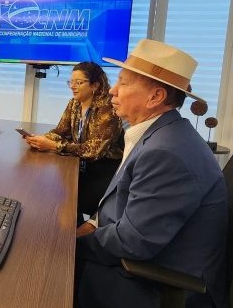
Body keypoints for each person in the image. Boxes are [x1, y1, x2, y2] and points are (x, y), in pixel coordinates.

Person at [75, 39, 227, 308]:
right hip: (141, 262)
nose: (112, 91)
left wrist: (68, 243)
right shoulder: (160, 133)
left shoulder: (167, 153)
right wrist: (90, 225)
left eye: (123, 83)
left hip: (154, 285)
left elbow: (132, 242)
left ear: (155, 97)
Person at [23, 62, 123, 225]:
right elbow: (60, 132)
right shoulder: (74, 103)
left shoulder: (108, 108)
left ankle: (74, 234)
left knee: (59, 198)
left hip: (104, 172)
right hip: (80, 165)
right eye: (71, 82)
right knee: (53, 191)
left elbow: (94, 150)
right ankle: (71, 231)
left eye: (79, 82)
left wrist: (54, 146)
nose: (72, 86)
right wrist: (39, 139)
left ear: (95, 85)